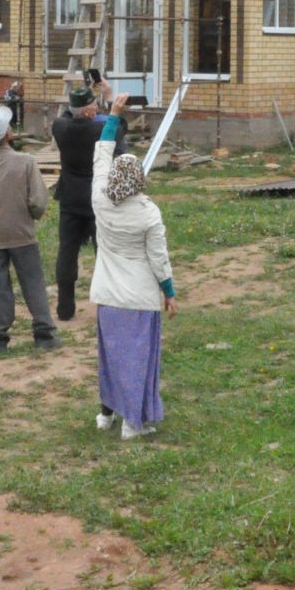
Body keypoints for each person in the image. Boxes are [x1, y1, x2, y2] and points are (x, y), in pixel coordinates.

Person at [90, 92, 175, 441]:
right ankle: (132, 423)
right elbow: (158, 258)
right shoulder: (147, 214)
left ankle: (105, 416)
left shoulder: (100, 198)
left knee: (110, 359)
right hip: (139, 298)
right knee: (137, 361)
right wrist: (168, 292)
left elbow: (101, 155)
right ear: (139, 178)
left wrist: (113, 115)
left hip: (108, 296)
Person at [0, 107, 56, 353]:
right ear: (7, 134)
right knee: (32, 281)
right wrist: (32, 215)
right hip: (21, 233)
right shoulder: (25, 162)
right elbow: (38, 201)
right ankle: (44, 333)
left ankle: (0, 337)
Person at [52, 84, 126, 320]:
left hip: (70, 199)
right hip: (97, 198)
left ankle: (65, 309)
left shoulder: (59, 127)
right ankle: (108, 306)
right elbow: (120, 128)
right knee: (103, 253)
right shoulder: (100, 129)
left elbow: (67, 113)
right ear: (86, 112)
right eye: (93, 105)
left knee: (67, 252)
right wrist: (111, 101)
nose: (96, 107)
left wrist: (87, 100)